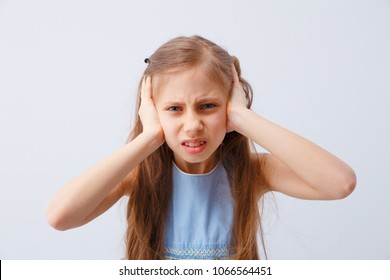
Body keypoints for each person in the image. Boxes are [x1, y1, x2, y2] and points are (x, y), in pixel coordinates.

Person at [45, 35, 356, 260]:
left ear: (229, 105)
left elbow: (339, 183)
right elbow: (60, 216)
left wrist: (242, 117)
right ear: (152, 111)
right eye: (174, 109)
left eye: (208, 105)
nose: (192, 124)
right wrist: (148, 138)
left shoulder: (253, 171)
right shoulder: (138, 175)